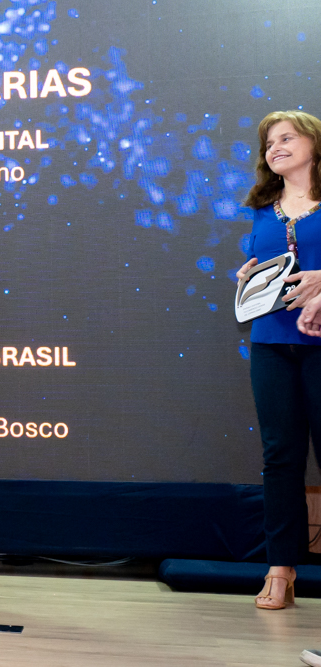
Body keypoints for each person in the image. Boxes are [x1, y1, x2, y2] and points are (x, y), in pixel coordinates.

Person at [237, 110, 321, 610]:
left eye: (287, 138)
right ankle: (280, 568)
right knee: (280, 458)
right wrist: (247, 277)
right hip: (271, 344)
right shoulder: (263, 207)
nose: (276, 147)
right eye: (270, 142)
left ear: (314, 142)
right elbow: (266, 264)